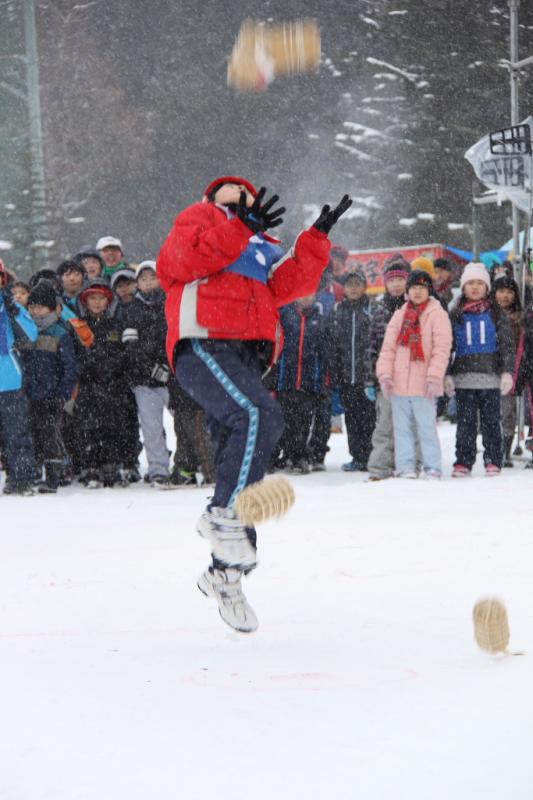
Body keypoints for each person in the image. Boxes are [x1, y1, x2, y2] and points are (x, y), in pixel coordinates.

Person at [157, 175, 350, 632]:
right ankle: (223, 516)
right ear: (210, 197)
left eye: (246, 192)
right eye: (230, 190)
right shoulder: (199, 219)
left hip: (248, 353)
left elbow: (289, 286)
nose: (240, 195)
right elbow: (179, 264)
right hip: (205, 338)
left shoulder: (261, 243)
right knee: (257, 416)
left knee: (243, 452)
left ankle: (224, 573)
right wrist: (239, 226)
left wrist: (315, 240)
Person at [376, 269, 452, 479]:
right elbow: (388, 348)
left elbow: (441, 349)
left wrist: (435, 377)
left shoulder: (437, 315)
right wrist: (385, 374)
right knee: (401, 429)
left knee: (426, 428)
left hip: (424, 385)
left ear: (429, 291)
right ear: (407, 291)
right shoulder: (399, 315)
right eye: (414, 287)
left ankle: (432, 466)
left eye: (422, 288)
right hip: (399, 384)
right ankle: (405, 466)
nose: (418, 292)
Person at [445, 262, 515, 477]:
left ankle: (493, 458)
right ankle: (463, 460)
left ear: (487, 287)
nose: (475, 287)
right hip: (464, 378)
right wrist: (446, 374)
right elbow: (447, 346)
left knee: (491, 422)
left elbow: (507, 345)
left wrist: (507, 372)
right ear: (463, 287)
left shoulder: (496, 313)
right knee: (465, 424)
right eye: (470, 283)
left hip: (490, 378)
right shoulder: (455, 313)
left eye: (479, 283)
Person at [20, 281, 78, 493]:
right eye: (32, 306)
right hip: (29, 393)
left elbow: (70, 367)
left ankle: (54, 475)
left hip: (52, 394)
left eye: (41, 307)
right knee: (32, 432)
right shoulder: (25, 331)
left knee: (50, 435)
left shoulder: (60, 333)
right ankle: (35, 469)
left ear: (52, 309)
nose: (36, 311)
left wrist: (63, 393)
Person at [121, 261, 174, 487]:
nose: (148, 282)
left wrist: (169, 368)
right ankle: (158, 469)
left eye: (153, 277)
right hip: (143, 381)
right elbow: (130, 347)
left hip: (172, 378)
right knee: (152, 428)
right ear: (137, 284)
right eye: (143, 279)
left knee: (186, 424)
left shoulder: (171, 303)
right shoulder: (132, 309)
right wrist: (151, 369)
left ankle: (193, 463)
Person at [72, 278, 127, 488]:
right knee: (88, 427)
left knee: (112, 425)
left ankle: (110, 465)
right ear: (85, 302)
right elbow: (74, 354)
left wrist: (111, 367)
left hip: (112, 384)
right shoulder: (78, 325)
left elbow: (123, 352)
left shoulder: (115, 325)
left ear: (108, 301)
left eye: (101, 298)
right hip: (87, 384)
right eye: (92, 298)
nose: (96, 303)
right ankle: (90, 466)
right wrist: (86, 366)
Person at [364, 259, 410, 481]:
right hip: (386, 378)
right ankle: (380, 467)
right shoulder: (379, 311)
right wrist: (369, 380)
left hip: (411, 377)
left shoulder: (416, 308)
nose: (396, 285)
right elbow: (371, 347)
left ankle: (409, 465)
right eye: (392, 280)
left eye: (401, 279)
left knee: (410, 425)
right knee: (384, 426)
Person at [328, 269, 377, 471]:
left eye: (358, 284)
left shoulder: (372, 308)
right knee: (352, 418)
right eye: (350, 285)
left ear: (365, 287)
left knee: (369, 418)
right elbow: (333, 344)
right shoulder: (338, 310)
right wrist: (336, 373)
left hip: (367, 377)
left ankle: (371, 456)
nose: (354, 288)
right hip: (346, 376)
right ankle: (357, 456)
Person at [275, 293, 328, 473]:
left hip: (308, 382)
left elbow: (323, 352)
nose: (306, 298)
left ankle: (300, 457)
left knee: (304, 422)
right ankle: (288, 455)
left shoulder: (319, 320)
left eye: (310, 295)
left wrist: (322, 380)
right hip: (286, 380)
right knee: (286, 421)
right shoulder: (286, 316)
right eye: (303, 294)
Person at [0, 259, 39, 495]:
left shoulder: (10, 305)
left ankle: (22, 477)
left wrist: (14, 311)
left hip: (9, 379)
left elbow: (30, 335)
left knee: (16, 433)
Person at [491, 273, 523, 467]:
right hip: (489, 368)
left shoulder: (519, 319)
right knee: (491, 412)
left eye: (510, 292)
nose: (505, 296)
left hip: (511, 370)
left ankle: (505, 450)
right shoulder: (488, 315)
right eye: (501, 291)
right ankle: (493, 447)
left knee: (508, 411)